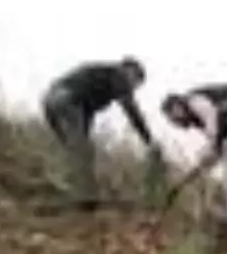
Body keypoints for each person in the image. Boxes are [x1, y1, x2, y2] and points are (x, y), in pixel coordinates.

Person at [41, 57, 160, 208]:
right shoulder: (118, 75)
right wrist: (148, 140)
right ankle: (85, 198)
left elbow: (87, 112)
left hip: (51, 101)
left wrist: (85, 137)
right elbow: (132, 110)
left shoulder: (100, 79)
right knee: (82, 150)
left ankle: (72, 188)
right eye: (136, 81)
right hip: (65, 99)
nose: (133, 88)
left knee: (77, 150)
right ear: (128, 70)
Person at [161, 83, 227, 222]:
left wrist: (209, 147)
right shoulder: (207, 120)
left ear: (176, 107)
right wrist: (186, 180)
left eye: (172, 117)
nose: (175, 123)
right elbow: (214, 153)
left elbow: (211, 118)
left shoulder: (193, 100)